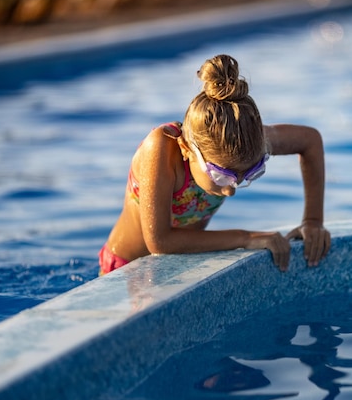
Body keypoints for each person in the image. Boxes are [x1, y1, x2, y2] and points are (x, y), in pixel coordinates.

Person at [99, 54, 330, 275]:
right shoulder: (162, 148)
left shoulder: (251, 143)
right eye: (221, 177)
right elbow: (160, 242)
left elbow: (310, 141)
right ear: (188, 151)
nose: (230, 190)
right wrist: (245, 238)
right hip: (124, 270)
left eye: (251, 174)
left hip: (180, 265)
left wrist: (313, 221)